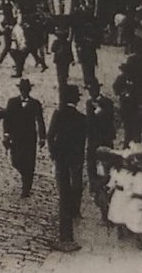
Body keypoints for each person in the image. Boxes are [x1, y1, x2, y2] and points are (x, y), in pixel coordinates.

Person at [48, 84, 87, 251]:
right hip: (75, 161)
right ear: (76, 100)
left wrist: (54, 153)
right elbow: (82, 141)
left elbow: (50, 136)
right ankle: (69, 232)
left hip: (61, 161)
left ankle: (66, 237)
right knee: (73, 192)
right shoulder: (82, 118)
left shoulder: (59, 114)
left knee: (63, 196)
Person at [3, 78, 46, 197]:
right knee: (16, 160)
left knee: (29, 162)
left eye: (26, 90)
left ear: (29, 90)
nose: (24, 92)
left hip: (29, 137)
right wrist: (6, 134)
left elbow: (40, 121)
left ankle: (26, 188)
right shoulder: (12, 102)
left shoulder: (35, 103)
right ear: (20, 90)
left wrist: (42, 137)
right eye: (22, 90)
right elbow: (7, 119)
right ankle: (24, 175)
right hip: (16, 136)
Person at [85, 80, 116, 199]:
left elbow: (110, 119)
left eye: (92, 90)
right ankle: (93, 186)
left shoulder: (107, 103)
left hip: (105, 137)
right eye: (89, 91)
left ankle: (106, 185)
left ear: (97, 90)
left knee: (107, 163)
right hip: (93, 138)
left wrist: (99, 111)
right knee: (91, 164)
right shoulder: (89, 103)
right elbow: (89, 120)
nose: (91, 93)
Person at [50, 28, 73, 93]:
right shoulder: (67, 43)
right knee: (64, 72)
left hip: (59, 60)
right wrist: (72, 59)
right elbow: (70, 52)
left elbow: (52, 49)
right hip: (65, 61)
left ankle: (62, 82)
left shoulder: (56, 42)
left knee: (60, 72)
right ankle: (63, 82)